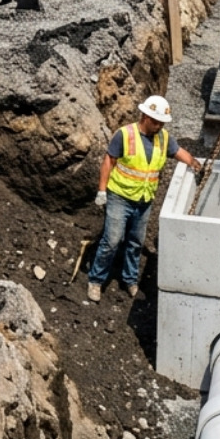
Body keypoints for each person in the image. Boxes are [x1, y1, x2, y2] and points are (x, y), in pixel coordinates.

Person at [86, 96, 200, 303]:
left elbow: (179, 152)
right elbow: (108, 160)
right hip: (120, 196)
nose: (158, 126)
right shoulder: (125, 135)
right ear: (145, 116)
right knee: (112, 240)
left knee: (136, 242)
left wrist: (195, 163)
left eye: (161, 123)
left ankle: (129, 279)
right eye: (155, 121)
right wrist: (102, 190)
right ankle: (95, 280)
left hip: (144, 198)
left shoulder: (164, 138)